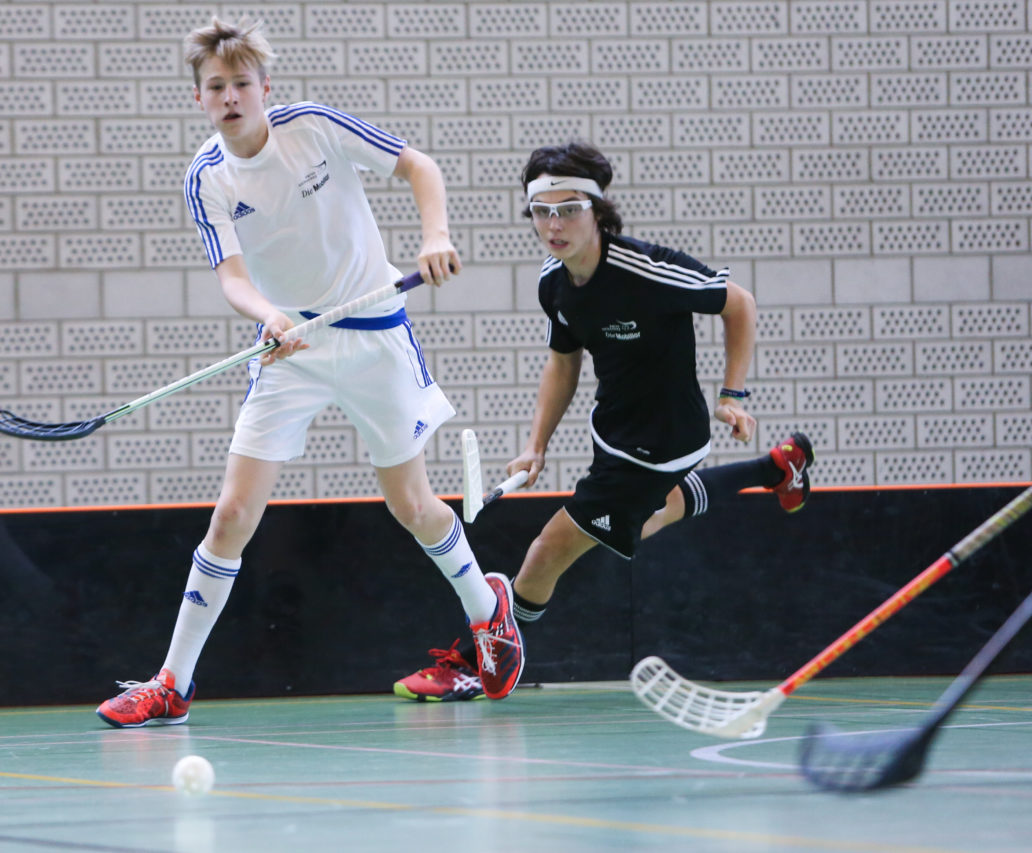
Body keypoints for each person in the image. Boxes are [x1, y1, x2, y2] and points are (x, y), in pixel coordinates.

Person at [95, 17, 523, 727]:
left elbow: (419, 166)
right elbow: (232, 277)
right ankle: (172, 681)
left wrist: (436, 234)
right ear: (199, 98)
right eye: (214, 87)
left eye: (240, 84)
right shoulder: (206, 176)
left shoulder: (314, 127)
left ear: (265, 87)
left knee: (413, 506)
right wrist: (267, 315)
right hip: (291, 348)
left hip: (375, 334)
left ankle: (489, 612)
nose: (229, 96)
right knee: (232, 514)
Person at [394, 141, 814, 701]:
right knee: (645, 520)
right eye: (542, 211)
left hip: (663, 440)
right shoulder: (555, 282)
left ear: (597, 210)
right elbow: (563, 363)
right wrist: (534, 445)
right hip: (613, 432)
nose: (554, 224)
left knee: (549, 551)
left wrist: (733, 394)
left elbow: (739, 303)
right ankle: (777, 467)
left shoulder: (646, 269)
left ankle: (477, 656)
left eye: (569, 209)